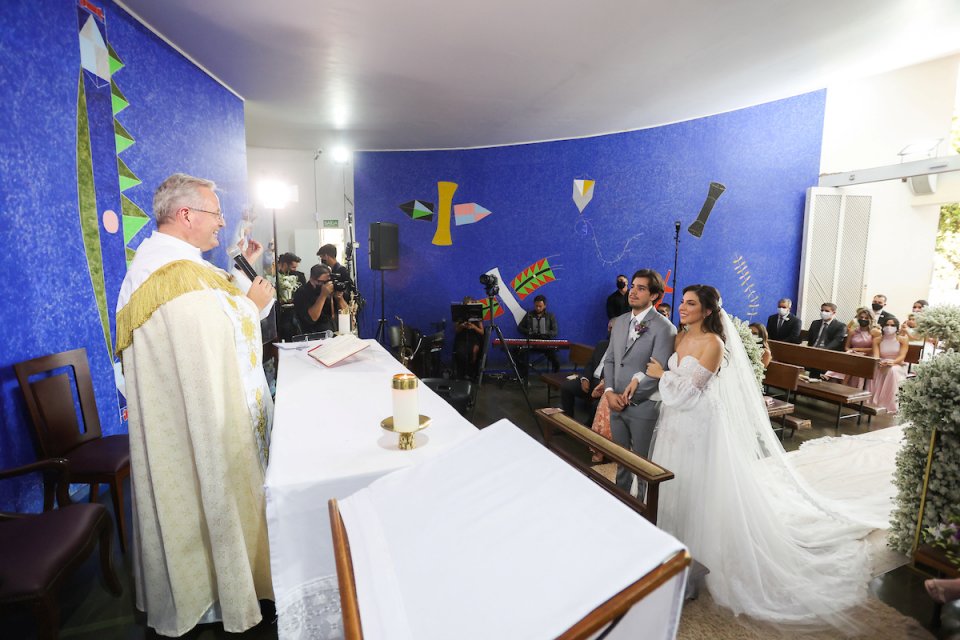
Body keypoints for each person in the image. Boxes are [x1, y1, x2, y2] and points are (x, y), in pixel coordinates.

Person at [645, 284, 874, 633]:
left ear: (707, 310)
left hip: (698, 424)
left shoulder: (714, 345)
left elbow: (690, 393)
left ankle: (702, 556)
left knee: (701, 487)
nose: (683, 308)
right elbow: (677, 388)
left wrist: (663, 375)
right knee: (674, 482)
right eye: (683, 303)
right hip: (674, 424)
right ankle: (670, 547)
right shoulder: (678, 340)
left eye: (691, 304)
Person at [114, 173, 275, 636]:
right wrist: (252, 308)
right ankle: (213, 591)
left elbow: (217, 311)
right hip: (192, 424)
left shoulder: (179, 265)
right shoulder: (168, 274)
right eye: (214, 213)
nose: (221, 223)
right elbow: (211, 336)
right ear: (186, 215)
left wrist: (247, 295)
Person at [602, 269, 676, 493]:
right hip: (616, 403)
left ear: (654, 295)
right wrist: (609, 391)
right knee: (622, 461)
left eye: (641, 288)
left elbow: (658, 371)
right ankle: (621, 500)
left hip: (643, 407)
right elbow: (611, 359)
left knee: (645, 467)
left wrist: (628, 397)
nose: (633, 292)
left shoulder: (665, 328)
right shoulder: (620, 321)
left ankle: (645, 510)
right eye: (632, 286)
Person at [824, 308, 879, 387]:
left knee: (853, 358)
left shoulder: (875, 332)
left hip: (867, 356)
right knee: (849, 357)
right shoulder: (853, 331)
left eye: (866, 318)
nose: (863, 319)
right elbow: (847, 347)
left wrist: (856, 350)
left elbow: (873, 350)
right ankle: (840, 382)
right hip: (852, 354)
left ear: (871, 319)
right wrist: (851, 351)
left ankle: (839, 380)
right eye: (861, 317)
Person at [560, 339, 609, 423]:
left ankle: (587, 428)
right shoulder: (602, 345)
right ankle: (567, 422)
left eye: (612, 327)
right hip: (591, 379)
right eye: (609, 326)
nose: (609, 327)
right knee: (566, 387)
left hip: (605, 384)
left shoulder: (622, 350)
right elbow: (590, 364)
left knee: (596, 405)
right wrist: (585, 378)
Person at [293, 264, 347, 335]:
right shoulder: (302, 292)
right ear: (312, 280)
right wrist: (323, 295)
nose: (326, 285)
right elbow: (312, 318)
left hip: (335, 333)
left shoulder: (331, 289)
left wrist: (339, 298)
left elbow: (346, 312)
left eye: (328, 281)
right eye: (323, 282)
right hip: (315, 336)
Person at [870, 316, 908, 413]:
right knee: (874, 369)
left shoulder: (902, 339)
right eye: (886, 325)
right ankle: (873, 402)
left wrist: (893, 362)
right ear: (882, 326)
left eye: (892, 325)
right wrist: (880, 362)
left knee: (892, 370)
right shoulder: (877, 340)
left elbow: (902, 356)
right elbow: (876, 355)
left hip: (897, 364)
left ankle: (888, 403)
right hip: (882, 362)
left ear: (897, 327)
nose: (889, 327)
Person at [517, 294, 560, 376]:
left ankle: (555, 377)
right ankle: (523, 377)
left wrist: (545, 332)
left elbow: (555, 332)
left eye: (540, 306)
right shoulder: (529, 315)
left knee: (555, 359)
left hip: (545, 344)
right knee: (518, 354)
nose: (538, 308)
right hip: (531, 342)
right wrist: (529, 331)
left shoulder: (550, 316)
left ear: (545, 306)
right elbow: (520, 328)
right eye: (536, 306)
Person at [453, 297, 485, 380]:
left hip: (474, 338)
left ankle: (472, 373)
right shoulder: (459, 314)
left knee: (474, 351)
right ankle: (463, 373)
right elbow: (456, 330)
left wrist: (474, 327)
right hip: (462, 338)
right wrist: (461, 326)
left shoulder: (477, 315)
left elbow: (482, 332)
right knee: (460, 352)